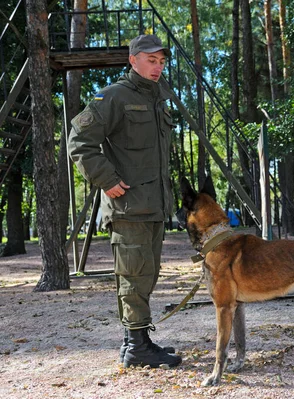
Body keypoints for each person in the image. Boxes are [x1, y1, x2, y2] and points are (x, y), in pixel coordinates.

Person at [67, 34, 181, 368]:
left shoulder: (158, 98)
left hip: (154, 205)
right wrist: (107, 180)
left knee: (147, 274)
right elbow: (79, 141)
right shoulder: (114, 97)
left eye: (161, 62)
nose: (156, 67)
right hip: (129, 206)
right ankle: (135, 347)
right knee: (133, 275)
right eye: (150, 60)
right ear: (133, 60)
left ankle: (139, 340)